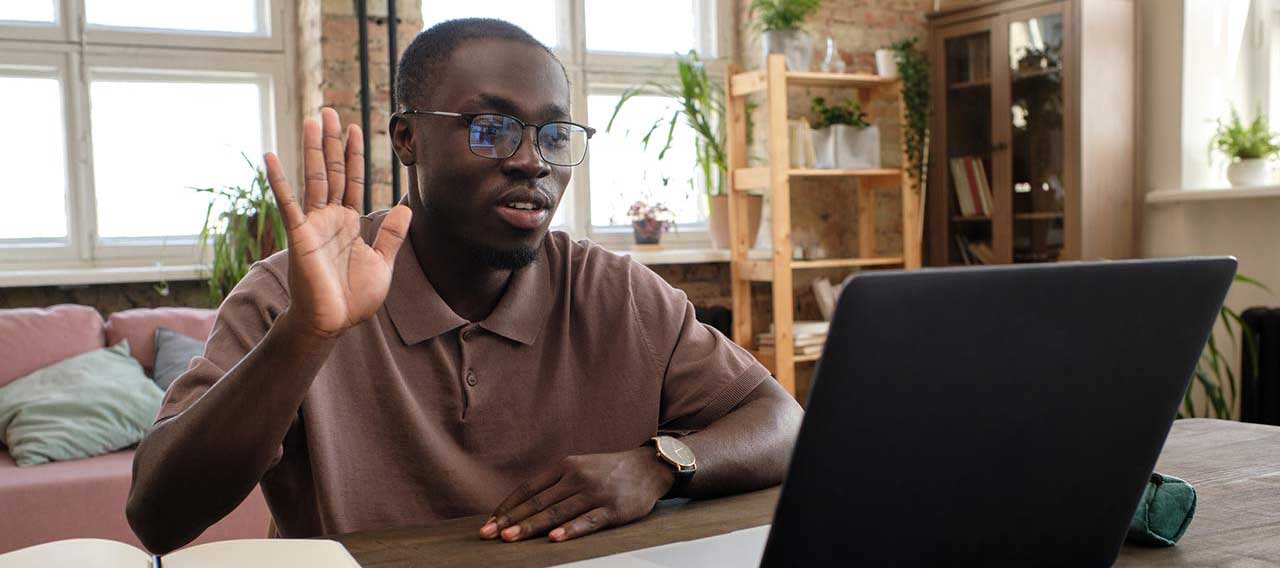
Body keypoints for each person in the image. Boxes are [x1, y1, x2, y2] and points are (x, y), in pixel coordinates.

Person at [126, 18, 803, 555]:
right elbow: (160, 518)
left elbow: (782, 422)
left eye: (553, 133)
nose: (532, 160)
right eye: (491, 129)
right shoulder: (296, 293)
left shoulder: (613, 290)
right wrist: (306, 336)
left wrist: (659, 464)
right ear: (408, 139)